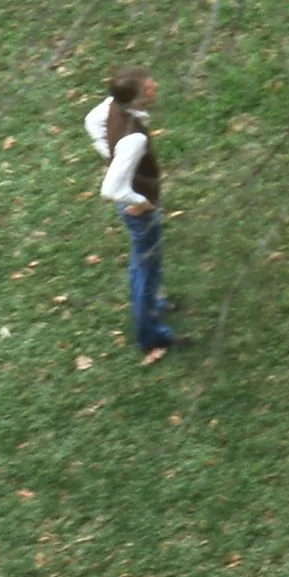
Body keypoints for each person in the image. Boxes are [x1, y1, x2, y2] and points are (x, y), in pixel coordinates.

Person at [88, 65, 179, 364]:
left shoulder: (111, 105)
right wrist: (140, 202)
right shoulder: (134, 138)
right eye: (150, 86)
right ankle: (151, 336)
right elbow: (111, 188)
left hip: (137, 202)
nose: (155, 86)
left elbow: (91, 120)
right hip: (140, 211)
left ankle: (156, 304)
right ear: (139, 98)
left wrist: (108, 154)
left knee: (147, 263)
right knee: (146, 272)